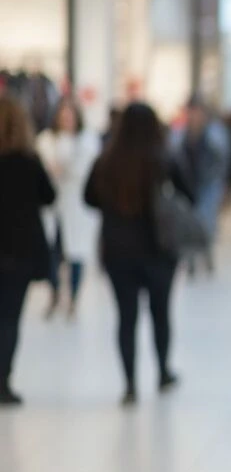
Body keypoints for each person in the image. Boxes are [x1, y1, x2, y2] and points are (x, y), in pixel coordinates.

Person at [85, 103, 191, 405]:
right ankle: (162, 373)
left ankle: (130, 384)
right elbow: (189, 193)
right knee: (161, 315)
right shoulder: (164, 158)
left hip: (117, 251)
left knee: (126, 318)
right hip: (159, 250)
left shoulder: (105, 160)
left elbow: (89, 197)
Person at [0, 96, 56, 405]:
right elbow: (49, 195)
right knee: (9, 320)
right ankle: (3, 381)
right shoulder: (28, 161)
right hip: (19, 253)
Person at [37, 96, 102, 319]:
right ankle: (55, 293)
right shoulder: (46, 140)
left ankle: (73, 297)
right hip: (53, 205)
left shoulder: (87, 140)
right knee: (52, 253)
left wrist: (63, 169)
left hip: (77, 205)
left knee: (76, 254)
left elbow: (83, 168)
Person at [172, 96, 231, 277]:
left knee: (206, 222)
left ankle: (206, 255)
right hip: (187, 187)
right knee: (188, 223)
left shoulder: (214, 134)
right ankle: (190, 260)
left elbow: (222, 161)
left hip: (208, 186)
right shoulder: (180, 135)